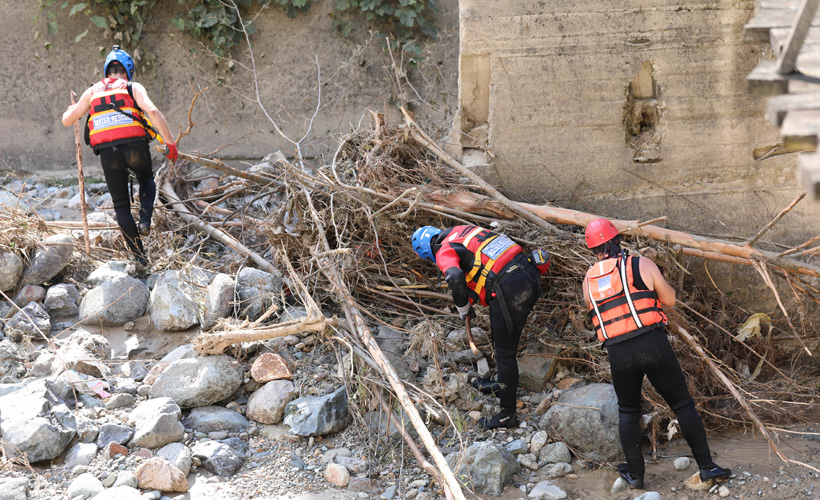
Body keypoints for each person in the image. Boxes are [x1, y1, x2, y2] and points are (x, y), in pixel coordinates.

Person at [581, 218, 731, 489]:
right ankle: (707, 467)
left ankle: (636, 475)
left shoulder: (587, 280)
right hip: (651, 343)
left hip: (618, 353)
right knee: (683, 405)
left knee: (628, 412)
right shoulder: (640, 264)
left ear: (593, 249)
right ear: (617, 239)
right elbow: (670, 299)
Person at [412, 225, 550, 429]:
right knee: (502, 342)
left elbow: (455, 277)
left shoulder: (443, 250)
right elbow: (481, 264)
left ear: (426, 253)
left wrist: (463, 307)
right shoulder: (461, 231)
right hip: (528, 272)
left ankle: (507, 415)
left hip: (510, 288)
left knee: (505, 353)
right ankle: (501, 386)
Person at [62, 45, 177, 266]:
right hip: (135, 147)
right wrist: (170, 144)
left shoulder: (92, 91)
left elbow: (68, 120)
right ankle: (145, 220)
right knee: (145, 179)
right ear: (128, 70)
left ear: (107, 71)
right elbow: (152, 112)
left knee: (121, 207)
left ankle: (141, 259)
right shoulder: (133, 87)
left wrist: (70, 109)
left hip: (108, 154)